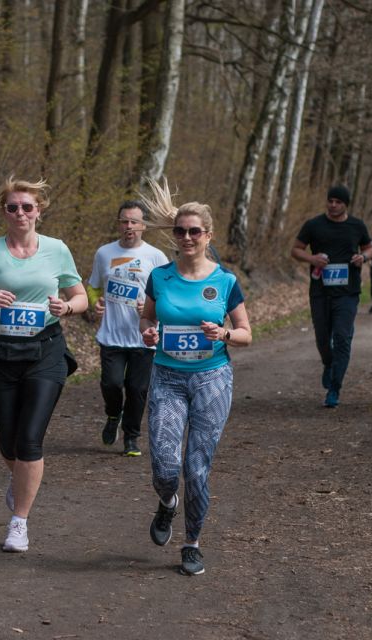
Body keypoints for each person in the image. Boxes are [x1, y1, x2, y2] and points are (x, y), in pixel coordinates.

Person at [0, 176, 87, 553]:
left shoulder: (57, 250)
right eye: (13, 207)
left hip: (46, 352)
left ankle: (19, 523)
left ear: (38, 211)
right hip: (1, 353)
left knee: (30, 439)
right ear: (4, 212)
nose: (20, 213)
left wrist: (67, 307)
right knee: (8, 444)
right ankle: (21, 479)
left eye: (27, 207)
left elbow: (81, 297)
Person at [137, 179, 251, 577]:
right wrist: (148, 331)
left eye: (194, 232)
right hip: (167, 376)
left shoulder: (224, 281)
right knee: (166, 467)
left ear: (208, 236)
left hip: (211, 379)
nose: (186, 237)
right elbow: (147, 318)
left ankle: (192, 543)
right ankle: (167, 503)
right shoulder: (160, 277)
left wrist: (223, 334)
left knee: (196, 467)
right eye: (180, 231)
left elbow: (246, 334)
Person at [87, 201, 169, 456]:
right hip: (111, 335)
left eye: (134, 221)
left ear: (144, 225)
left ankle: (131, 437)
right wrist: (95, 303)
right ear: (118, 223)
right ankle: (113, 415)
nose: (129, 226)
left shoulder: (156, 257)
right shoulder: (104, 253)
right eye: (124, 221)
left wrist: (152, 309)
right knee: (111, 384)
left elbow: (168, 295)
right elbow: (92, 287)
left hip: (143, 337)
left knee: (137, 389)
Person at [291, 185, 372, 408]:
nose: (333, 205)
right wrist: (312, 258)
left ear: (346, 204)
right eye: (331, 201)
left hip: (348, 292)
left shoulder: (357, 225)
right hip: (320, 292)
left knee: (342, 338)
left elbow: (369, 247)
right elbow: (296, 249)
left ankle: (335, 389)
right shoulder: (314, 225)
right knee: (322, 337)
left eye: (338, 202)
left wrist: (362, 258)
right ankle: (329, 363)